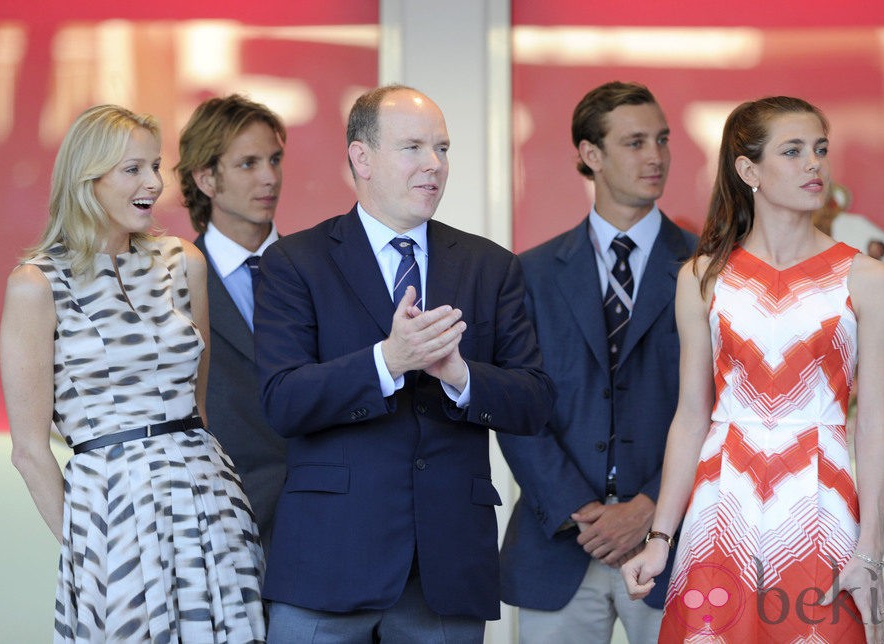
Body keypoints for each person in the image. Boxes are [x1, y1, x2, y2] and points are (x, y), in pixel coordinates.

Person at [254, 84, 555, 642]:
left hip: (445, 567)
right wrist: (388, 361)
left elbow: (534, 401)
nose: (434, 165)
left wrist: (459, 376)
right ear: (360, 157)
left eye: (442, 148)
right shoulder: (295, 263)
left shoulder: (490, 266)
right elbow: (283, 400)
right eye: (413, 147)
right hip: (328, 560)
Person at [622, 96, 884, 644]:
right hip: (721, 506)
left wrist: (870, 552)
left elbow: (873, 425)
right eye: (792, 152)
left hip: (822, 504)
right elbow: (692, 417)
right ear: (748, 170)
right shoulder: (701, 277)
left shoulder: (867, 279)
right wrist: (659, 537)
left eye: (819, 149)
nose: (813, 164)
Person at [0, 104, 265, 642]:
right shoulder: (36, 283)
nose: (153, 183)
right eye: (133, 169)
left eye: (155, 167)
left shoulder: (183, 261)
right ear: (86, 180)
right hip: (110, 513)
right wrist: (86, 546)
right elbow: (28, 449)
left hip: (209, 504)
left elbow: (200, 409)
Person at [497, 81, 696, 644]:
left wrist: (650, 507)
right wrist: (580, 509)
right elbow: (515, 408)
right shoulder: (528, 274)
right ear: (591, 155)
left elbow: (723, 404)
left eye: (662, 139)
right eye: (635, 142)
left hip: (673, 546)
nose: (655, 156)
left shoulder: (708, 268)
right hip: (559, 543)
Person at [176, 94, 287, 555]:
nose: (270, 177)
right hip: (217, 529)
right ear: (206, 178)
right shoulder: (171, 285)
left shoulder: (324, 270)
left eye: (275, 159)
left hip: (327, 528)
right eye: (248, 164)